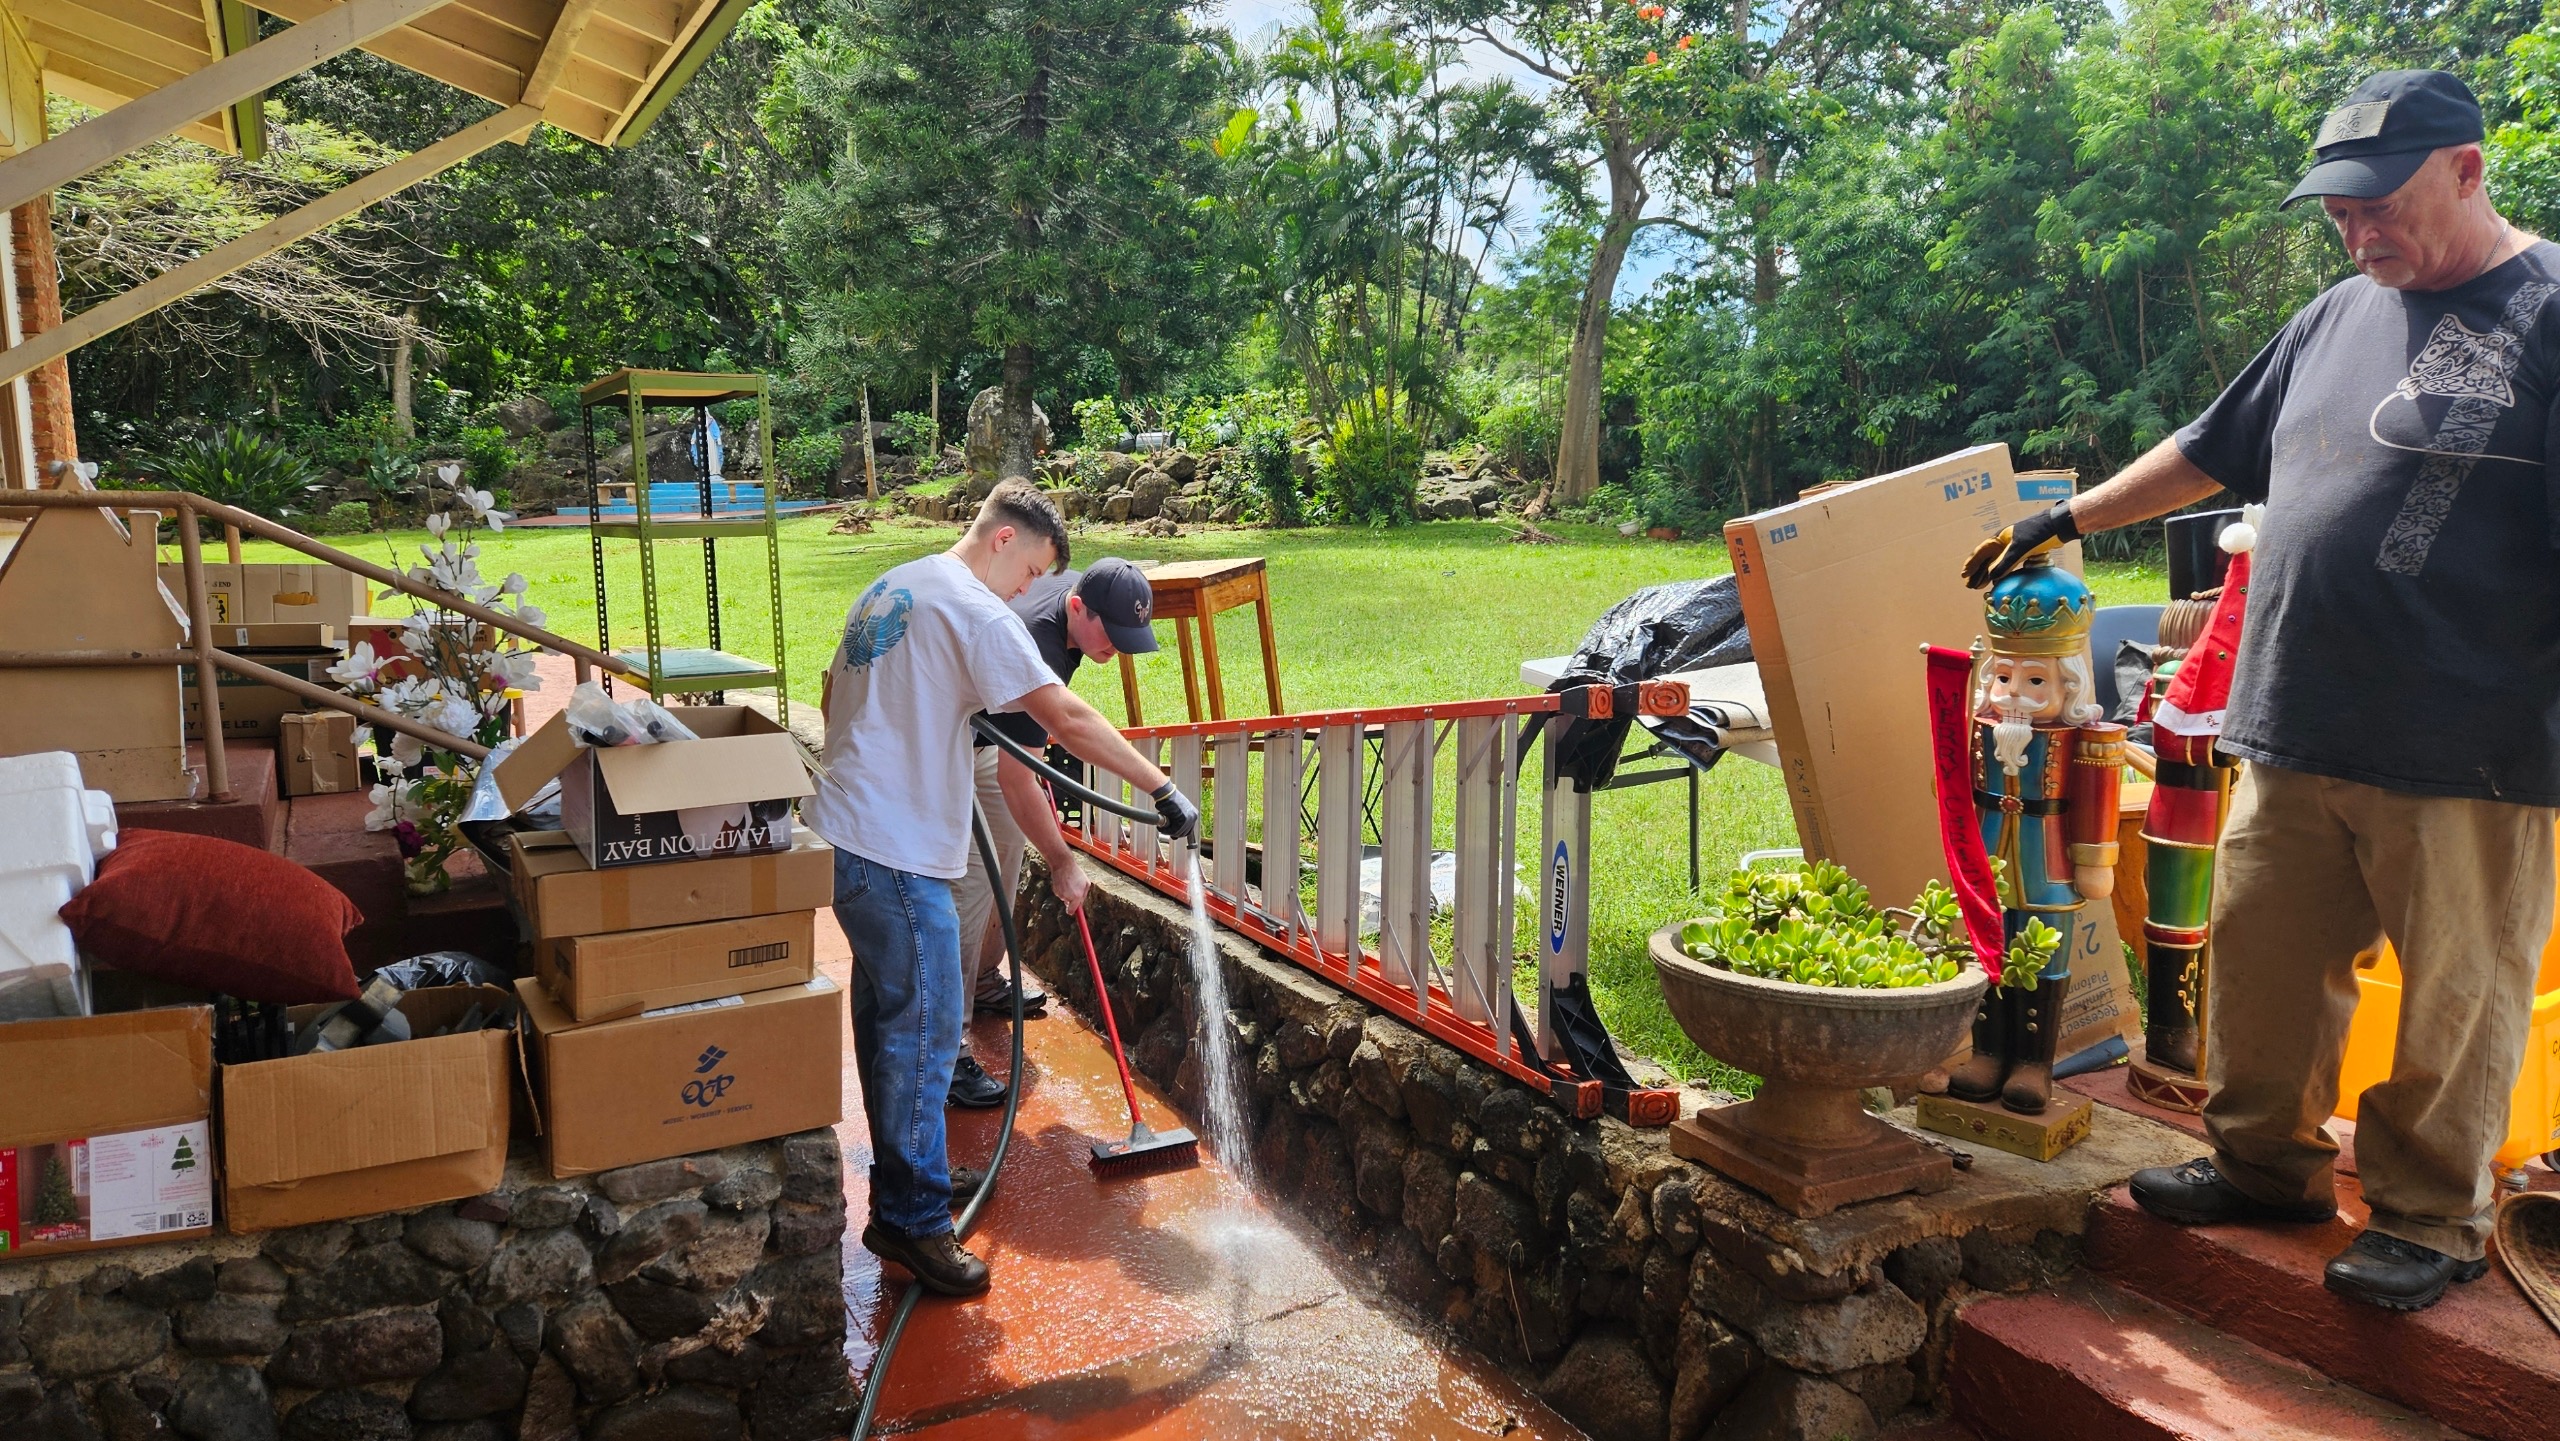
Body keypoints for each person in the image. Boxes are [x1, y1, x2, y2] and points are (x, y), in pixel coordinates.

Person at [1965, 69, 2560, 1313]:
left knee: (2455, 991)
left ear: (2467, 169)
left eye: (2379, 203)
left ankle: (2427, 1215)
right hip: (2292, 714)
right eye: (2337, 212)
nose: (2357, 231)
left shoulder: (2548, 310)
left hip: (2472, 738)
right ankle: (2261, 1164)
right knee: (2263, 961)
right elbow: (2206, 447)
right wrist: (2063, 517)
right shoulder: (2336, 313)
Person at [808, 483, 1200, 1297]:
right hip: (898, 848)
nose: (1030, 589)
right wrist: (1160, 787)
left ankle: (905, 1183)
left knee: (888, 1020)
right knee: (920, 1033)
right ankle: (913, 1223)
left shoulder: (893, 584)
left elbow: (828, 691)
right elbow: (1065, 719)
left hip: (846, 836)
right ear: (1003, 539)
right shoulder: (974, 608)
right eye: (1031, 567)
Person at [944, 557, 1162, 1110]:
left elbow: (1035, 753)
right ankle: (947, 1051)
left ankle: (987, 979)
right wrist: (1064, 862)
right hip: (947, 740)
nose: (1115, 650)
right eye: (1111, 636)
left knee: (1011, 849)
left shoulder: (1080, 598)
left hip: (994, 727)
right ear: (1076, 608)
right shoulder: (1037, 644)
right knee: (972, 880)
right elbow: (1023, 777)